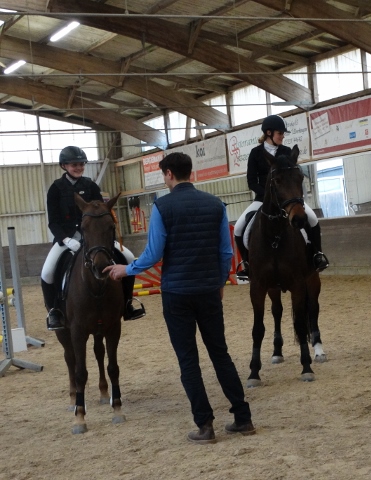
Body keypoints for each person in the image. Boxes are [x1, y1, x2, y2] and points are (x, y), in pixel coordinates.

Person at [104, 152, 255, 444]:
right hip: (209, 291)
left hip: (177, 294)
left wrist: (127, 269)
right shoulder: (216, 204)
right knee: (220, 354)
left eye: (164, 174)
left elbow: (154, 254)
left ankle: (205, 425)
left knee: (188, 361)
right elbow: (225, 251)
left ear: (169, 174)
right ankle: (243, 417)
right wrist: (219, 282)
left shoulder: (162, 207)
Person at [41, 146, 145, 331]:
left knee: (129, 258)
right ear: (64, 165)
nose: (79, 167)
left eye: (81, 164)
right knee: (47, 272)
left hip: (96, 238)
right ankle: (55, 310)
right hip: (67, 239)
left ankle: (128, 303)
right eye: (74, 164)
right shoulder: (55, 189)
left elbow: (103, 212)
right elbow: (53, 222)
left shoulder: (91, 186)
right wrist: (66, 239)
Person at [233, 114, 329, 280]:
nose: (282, 136)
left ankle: (317, 255)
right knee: (239, 228)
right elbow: (251, 181)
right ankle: (247, 263)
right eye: (280, 133)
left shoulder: (286, 152)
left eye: (283, 134)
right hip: (263, 200)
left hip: (288, 200)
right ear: (269, 133)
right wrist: (267, 195)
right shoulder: (256, 153)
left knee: (313, 220)